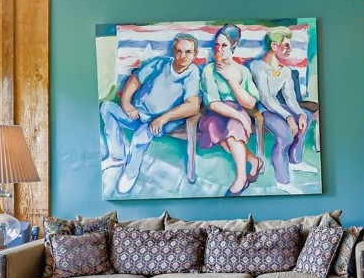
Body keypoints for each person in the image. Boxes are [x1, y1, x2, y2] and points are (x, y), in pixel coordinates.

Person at [100, 32, 202, 195]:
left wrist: (163, 118)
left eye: (188, 52)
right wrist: (126, 103)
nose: (183, 56)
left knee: (140, 138)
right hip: (137, 113)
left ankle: (130, 173)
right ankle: (117, 157)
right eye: (179, 51)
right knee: (106, 107)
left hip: (157, 122)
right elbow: (135, 80)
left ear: (195, 54)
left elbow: (193, 106)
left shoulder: (193, 74)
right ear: (173, 51)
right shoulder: (160, 63)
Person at [248, 27, 318, 195]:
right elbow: (265, 98)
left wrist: (299, 113)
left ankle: (295, 160)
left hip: (277, 107)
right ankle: (283, 181)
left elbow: (290, 98)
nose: (290, 49)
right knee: (285, 136)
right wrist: (288, 116)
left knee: (307, 116)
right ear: (274, 46)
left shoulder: (285, 71)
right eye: (286, 45)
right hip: (262, 109)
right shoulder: (257, 66)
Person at [199, 24, 262, 197]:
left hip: (239, 110)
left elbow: (250, 102)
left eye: (224, 45)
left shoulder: (242, 71)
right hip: (217, 111)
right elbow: (212, 103)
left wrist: (231, 81)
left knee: (234, 129)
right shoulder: (209, 70)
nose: (219, 49)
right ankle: (253, 161)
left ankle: (241, 178)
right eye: (217, 45)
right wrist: (240, 118)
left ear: (233, 46)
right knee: (213, 126)